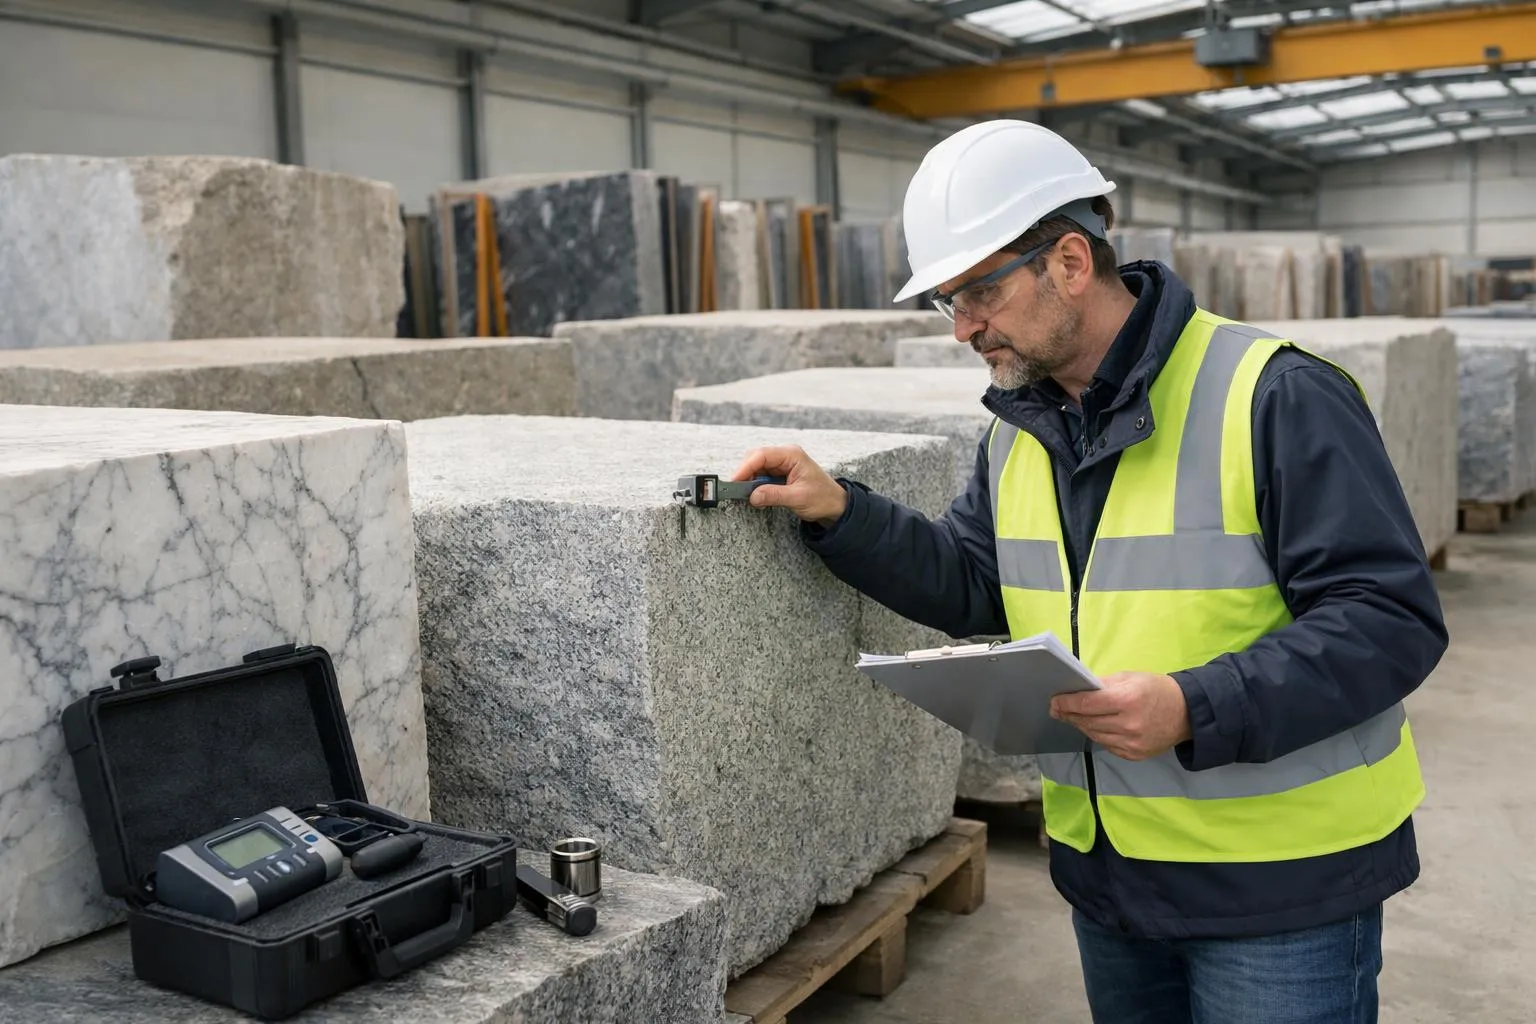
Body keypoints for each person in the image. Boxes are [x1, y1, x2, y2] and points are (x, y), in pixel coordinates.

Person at [730, 120, 1448, 1024]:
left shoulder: (1273, 394)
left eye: (978, 291)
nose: (962, 328)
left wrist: (1193, 705)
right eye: (945, 302)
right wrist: (843, 512)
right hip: (1112, 880)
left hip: (1279, 892)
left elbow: (1389, 621)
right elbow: (973, 582)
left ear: (1070, 260)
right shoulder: (1019, 431)